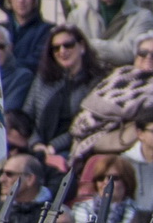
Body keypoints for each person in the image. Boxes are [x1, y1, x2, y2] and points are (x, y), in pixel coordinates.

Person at [71, 30, 153, 157]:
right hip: (103, 137)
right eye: (143, 53)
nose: (149, 57)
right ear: (135, 56)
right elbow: (92, 107)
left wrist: (122, 114)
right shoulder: (118, 77)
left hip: (142, 146)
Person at [24, 26, 104, 159]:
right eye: (56, 48)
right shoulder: (43, 78)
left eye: (68, 45)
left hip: (74, 148)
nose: (62, 51)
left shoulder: (96, 81)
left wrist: (54, 147)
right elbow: (27, 117)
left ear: (82, 46)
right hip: (38, 147)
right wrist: (36, 143)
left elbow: (87, 124)